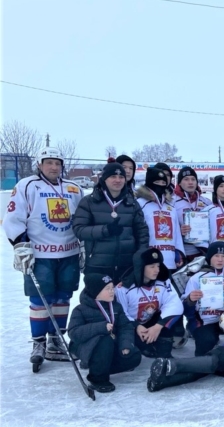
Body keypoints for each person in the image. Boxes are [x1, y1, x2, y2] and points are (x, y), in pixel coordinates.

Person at [4, 147, 84, 366]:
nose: (54, 167)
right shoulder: (27, 185)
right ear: (39, 164)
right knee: (40, 300)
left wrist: (84, 244)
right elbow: (13, 217)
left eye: (57, 163)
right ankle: (38, 341)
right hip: (40, 254)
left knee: (62, 298)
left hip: (69, 252)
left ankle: (55, 339)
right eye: (48, 162)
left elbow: (82, 219)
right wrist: (20, 244)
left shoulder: (74, 188)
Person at [73, 161, 149, 280]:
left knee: (123, 298)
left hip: (127, 266)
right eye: (113, 176)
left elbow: (142, 231)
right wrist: (105, 230)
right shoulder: (89, 202)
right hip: (98, 264)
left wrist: (140, 253)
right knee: (97, 299)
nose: (118, 180)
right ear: (104, 179)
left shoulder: (132, 203)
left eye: (121, 177)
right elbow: (79, 229)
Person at [68, 274, 142, 393]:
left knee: (134, 356)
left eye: (112, 288)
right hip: (87, 347)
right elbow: (74, 333)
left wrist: (126, 345)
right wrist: (101, 327)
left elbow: (125, 327)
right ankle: (98, 378)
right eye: (107, 289)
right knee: (105, 341)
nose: (112, 291)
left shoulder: (116, 307)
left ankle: (98, 366)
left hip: (111, 347)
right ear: (96, 291)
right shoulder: (80, 310)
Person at [181, 241, 224, 356]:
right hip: (207, 321)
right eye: (216, 256)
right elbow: (184, 307)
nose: (220, 259)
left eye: (223, 256)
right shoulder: (197, 277)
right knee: (204, 352)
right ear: (209, 257)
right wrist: (190, 299)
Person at [116, 248, 184, 358]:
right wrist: (136, 326)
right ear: (141, 268)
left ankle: (163, 349)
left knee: (173, 317)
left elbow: (174, 304)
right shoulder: (123, 288)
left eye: (158, 266)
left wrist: (158, 326)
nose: (156, 270)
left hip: (152, 322)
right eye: (152, 267)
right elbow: (121, 314)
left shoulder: (163, 282)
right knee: (139, 351)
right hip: (132, 326)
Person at [136, 167, 185, 271]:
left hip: (170, 260)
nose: (160, 185)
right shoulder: (140, 204)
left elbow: (176, 232)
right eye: (157, 182)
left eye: (163, 182)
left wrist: (179, 251)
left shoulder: (170, 206)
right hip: (149, 262)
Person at [174, 166, 213, 261]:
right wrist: (179, 231)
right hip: (183, 252)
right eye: (186, 179)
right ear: (179, 183)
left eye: (193, 179)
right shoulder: (172, 202)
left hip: (203, 252)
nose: (190, 182)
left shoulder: (206, 202)